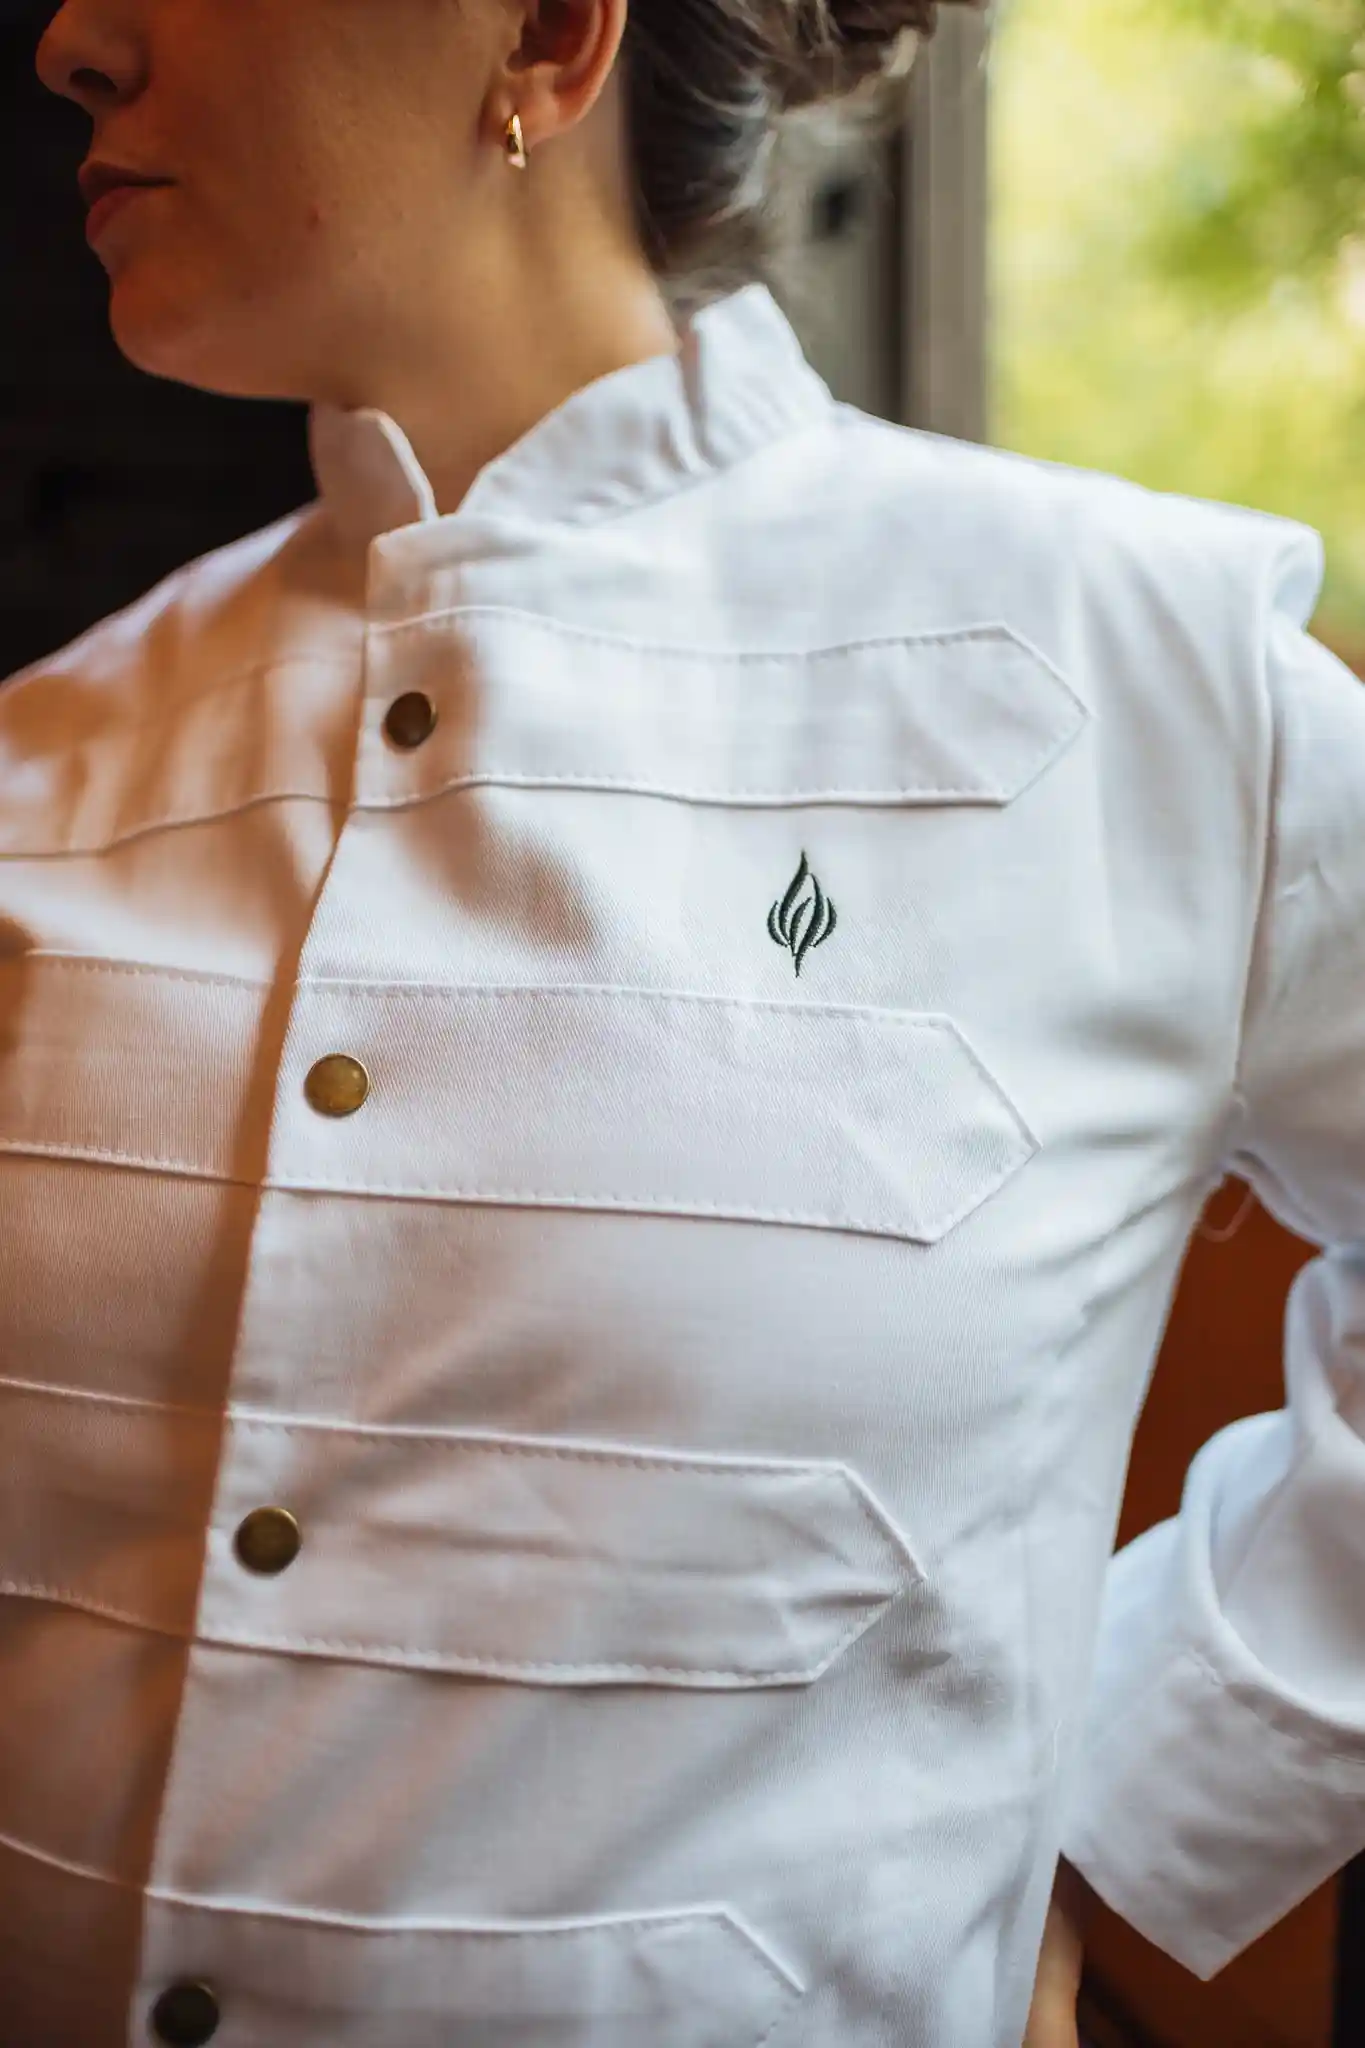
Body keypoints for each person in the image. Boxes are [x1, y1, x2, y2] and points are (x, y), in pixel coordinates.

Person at [3, 0, 1362, 2040]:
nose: (73, 40)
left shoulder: (1143, 676)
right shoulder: (48, 755)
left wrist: (1103, 1811)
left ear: (549, 33)